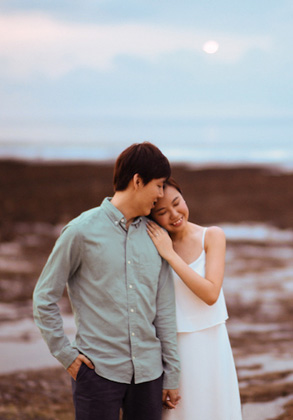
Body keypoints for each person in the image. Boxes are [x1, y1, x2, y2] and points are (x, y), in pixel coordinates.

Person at [33, 142, 180, 420]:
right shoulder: (80, 232)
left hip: (149, 376)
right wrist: (66, 355)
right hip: (97, 373)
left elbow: (165, 311)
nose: (161, 195)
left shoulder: (156, 237)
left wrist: (172, 374)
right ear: (138, 181)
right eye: (158, 185)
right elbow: (44, 297)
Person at [147, 178, 242, 420]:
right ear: (153, 217)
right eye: (162, 212)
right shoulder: (152, 245)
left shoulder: (212, 236)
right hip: (174, 347)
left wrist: (169, 254)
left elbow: (211, 293)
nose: (175, 214)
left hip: (212, 341)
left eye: (178, 203)